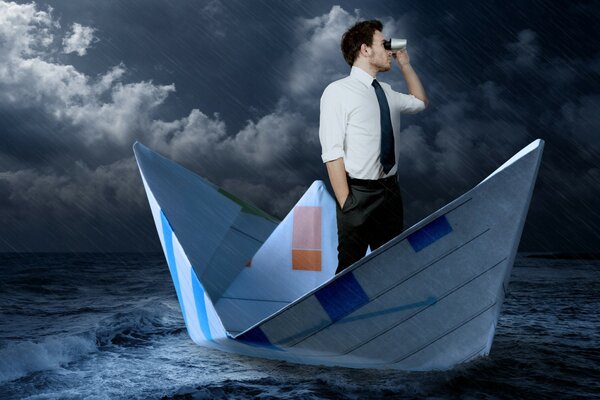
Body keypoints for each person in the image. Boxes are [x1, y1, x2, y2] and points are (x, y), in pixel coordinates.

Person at [319, 20, 428, 274]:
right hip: (359, 194)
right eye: (383, 43)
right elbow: (333, 152)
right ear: (365, 50)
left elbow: (420, 102)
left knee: (389, 269)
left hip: (390, 193)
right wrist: (348, 205)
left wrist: (405, 64)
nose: (389, 49)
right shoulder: (337, 91)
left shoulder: (387, 91)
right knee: (349, 271)